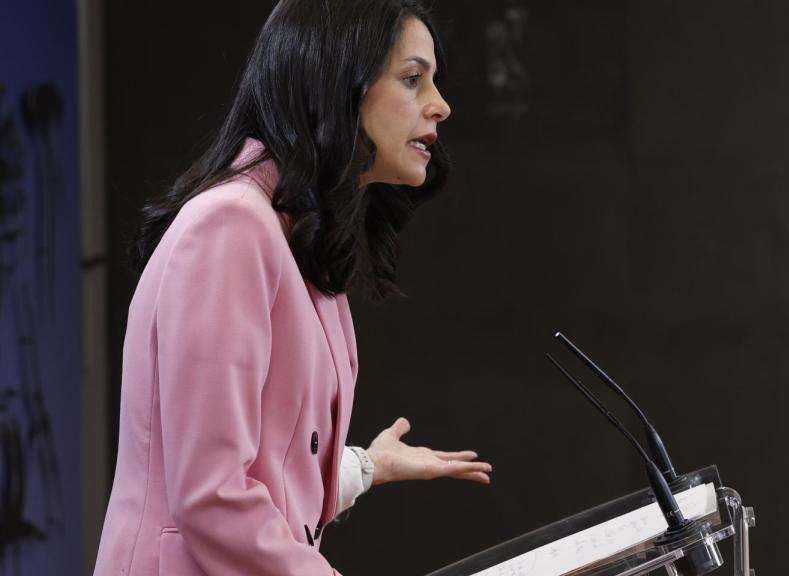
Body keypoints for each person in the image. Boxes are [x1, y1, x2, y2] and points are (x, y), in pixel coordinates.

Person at [93, 1, 491, 574]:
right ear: (336, 82)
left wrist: (366, 466)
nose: (441, 105)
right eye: (412, 79)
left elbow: (268, 465)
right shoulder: (231, 226)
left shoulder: (295, 232)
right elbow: (212, 496)